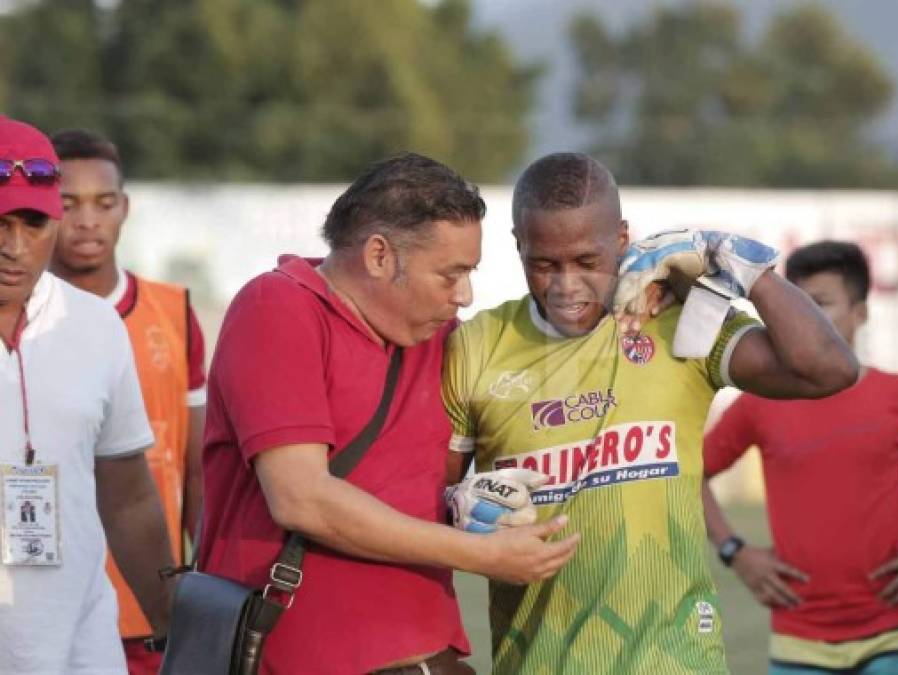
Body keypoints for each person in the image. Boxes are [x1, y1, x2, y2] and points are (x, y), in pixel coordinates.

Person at [441, 152, 859, 673]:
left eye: (587, 262)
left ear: (621, 240)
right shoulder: (476, 348)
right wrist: (456, 510)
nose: (566, 285)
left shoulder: (678, 322)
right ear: (518, 244)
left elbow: (830, 370)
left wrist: (740, 265)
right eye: (544, 263)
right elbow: (424, 508)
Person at [199, 152, 580, 675]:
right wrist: (481, 556)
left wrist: (471, 505)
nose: (464, 296)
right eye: (450, 274)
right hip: (294, 659)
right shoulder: (278, 307)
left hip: (432, 658)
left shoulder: (441, 336)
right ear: (378, 255)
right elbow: (299, 497)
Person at [702, 240, 898, 675]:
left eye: (821, 304)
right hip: (798, 640)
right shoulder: (758, 404)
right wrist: (734, 550)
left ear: (861, 312)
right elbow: (688, 473)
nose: (807, 320)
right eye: (798, 306)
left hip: (893, 634)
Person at [0, 117, 175, 673]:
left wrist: (173, 624)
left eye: (33, 223)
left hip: (81, 641)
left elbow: (126, 496)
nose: (14, 246)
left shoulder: (96, 326)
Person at [47, 128, 208, 673]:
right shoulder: (20, 317)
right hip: (44, 601)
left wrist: (206, 583)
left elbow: (198, 466)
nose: (88, 220)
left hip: (150, 601)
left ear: (125, 208)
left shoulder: (174, 313)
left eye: (104, 202)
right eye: (68, 204)